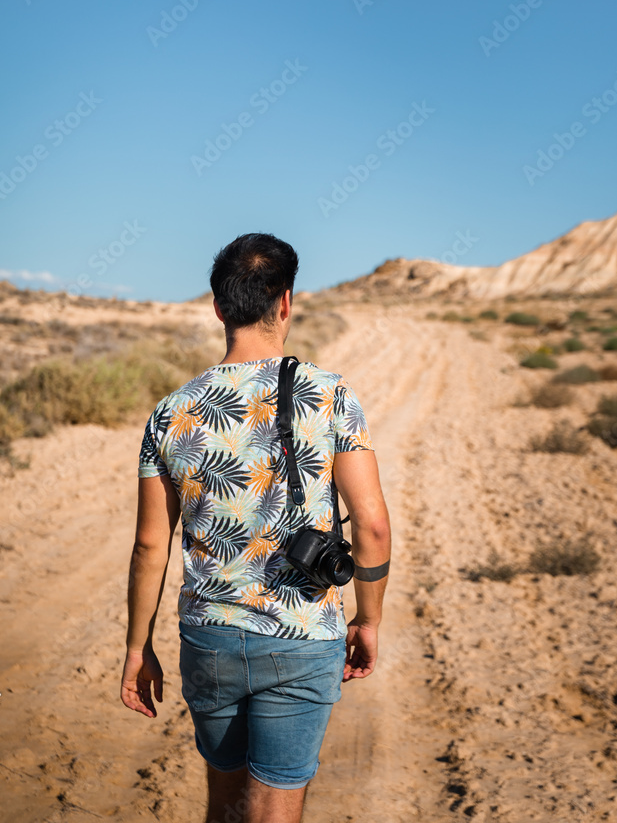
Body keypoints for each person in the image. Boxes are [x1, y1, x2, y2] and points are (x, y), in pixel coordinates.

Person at [120, 233, 391, 823]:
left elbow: (149, 544)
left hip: (209, 639)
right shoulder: (331, 394)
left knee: (224, 806)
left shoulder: (171, 410)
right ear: (286, 302)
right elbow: (370, 523)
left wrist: (137, 647)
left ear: (219, 307)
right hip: (302, 637)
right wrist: (366, 619)